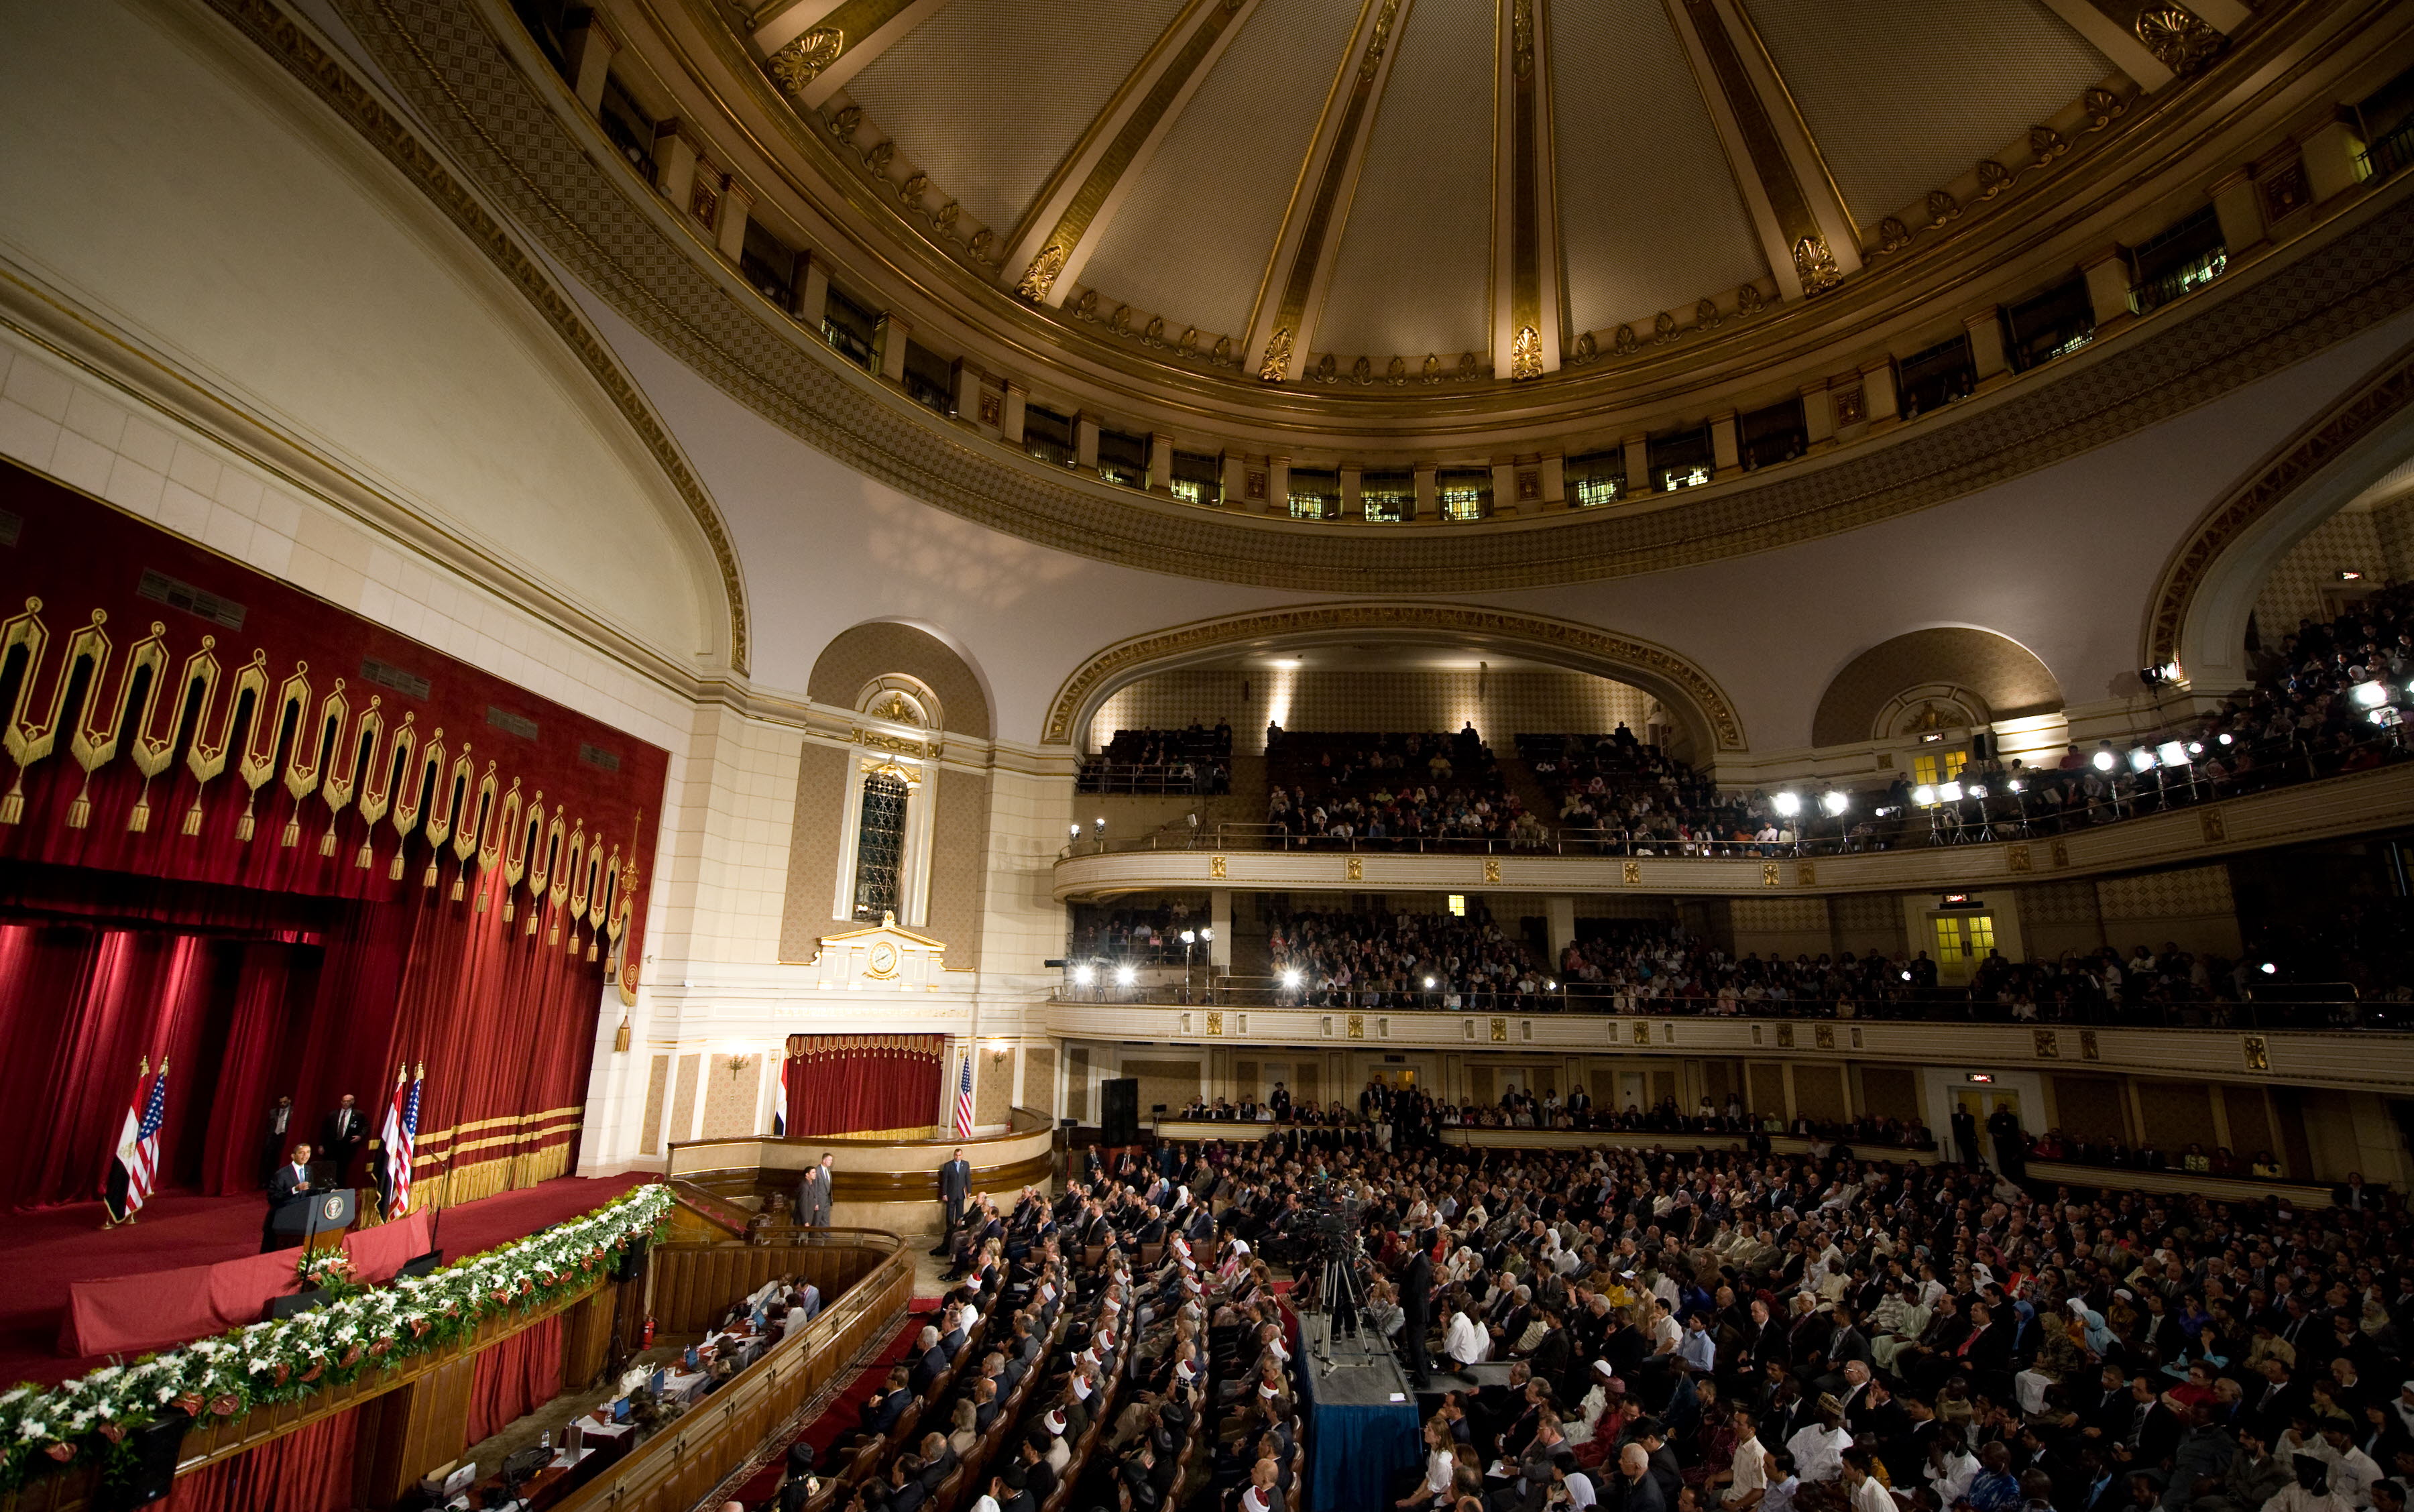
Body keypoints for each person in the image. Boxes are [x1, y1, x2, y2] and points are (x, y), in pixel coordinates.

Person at [262, 1141, 317, 1253]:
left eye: (308, 1152)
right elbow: (273, 1198)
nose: (305, 1156)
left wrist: (332, 1190)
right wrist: (295, 1189)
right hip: (280, 1221)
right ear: (293, 1156)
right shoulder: (282, 1174)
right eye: (301, 1153)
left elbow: (311, 1191)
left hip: (300, 1220)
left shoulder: (309, 1170)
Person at [319, 1094, 365, 1185]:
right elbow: (324, 1130)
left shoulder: (359, 1114)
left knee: (341, 1171)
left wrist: (360, 1136)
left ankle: (339, 1189)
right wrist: (321, 1145)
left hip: (346, 1148)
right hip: (331, 1147)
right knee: (328, 1169)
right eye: (344, 1101)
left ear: (352, 1102)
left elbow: (366, 1127)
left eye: (348, 1101)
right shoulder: (332, 1114)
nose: (345, 1103)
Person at [933, 1147, 971, 1257]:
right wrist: (944, 1194)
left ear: (962, 1156)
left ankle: (957, 1231)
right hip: (951, 1194)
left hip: (961, 1194)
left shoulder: (966, 1164)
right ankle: (949, 1232)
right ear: (954, 1156)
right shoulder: (948, 1165)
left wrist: (969, 1191)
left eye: (959, 1155)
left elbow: (968, 1178)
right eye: (956, 1155)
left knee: (960, 1214)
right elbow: (944, 1181)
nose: (958, 1157)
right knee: (950, 1214)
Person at [259, 1094, 294, 1187]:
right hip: (273, 1138)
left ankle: (277, 1183)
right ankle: (266, 1181)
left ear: (289, 1101)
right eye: (281, 1102)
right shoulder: (273, 1112)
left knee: (279, 1161)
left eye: (285, 1102)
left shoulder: (293, 1112)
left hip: (284, 1138)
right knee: (268, 1160)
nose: (282, 1104)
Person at [797, 1154, 834, 1228]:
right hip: (819, 1201)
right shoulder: (817, 1171)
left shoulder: (828, 1170)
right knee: (816, 1221)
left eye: (832, 1160)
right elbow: (815, 1187)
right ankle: (812, 1238)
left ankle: (827, 1238)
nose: (831, 1162)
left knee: (826, 1220)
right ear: (824, 1160)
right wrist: (816, 1202)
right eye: (830, 1160)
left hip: (827, 1200)